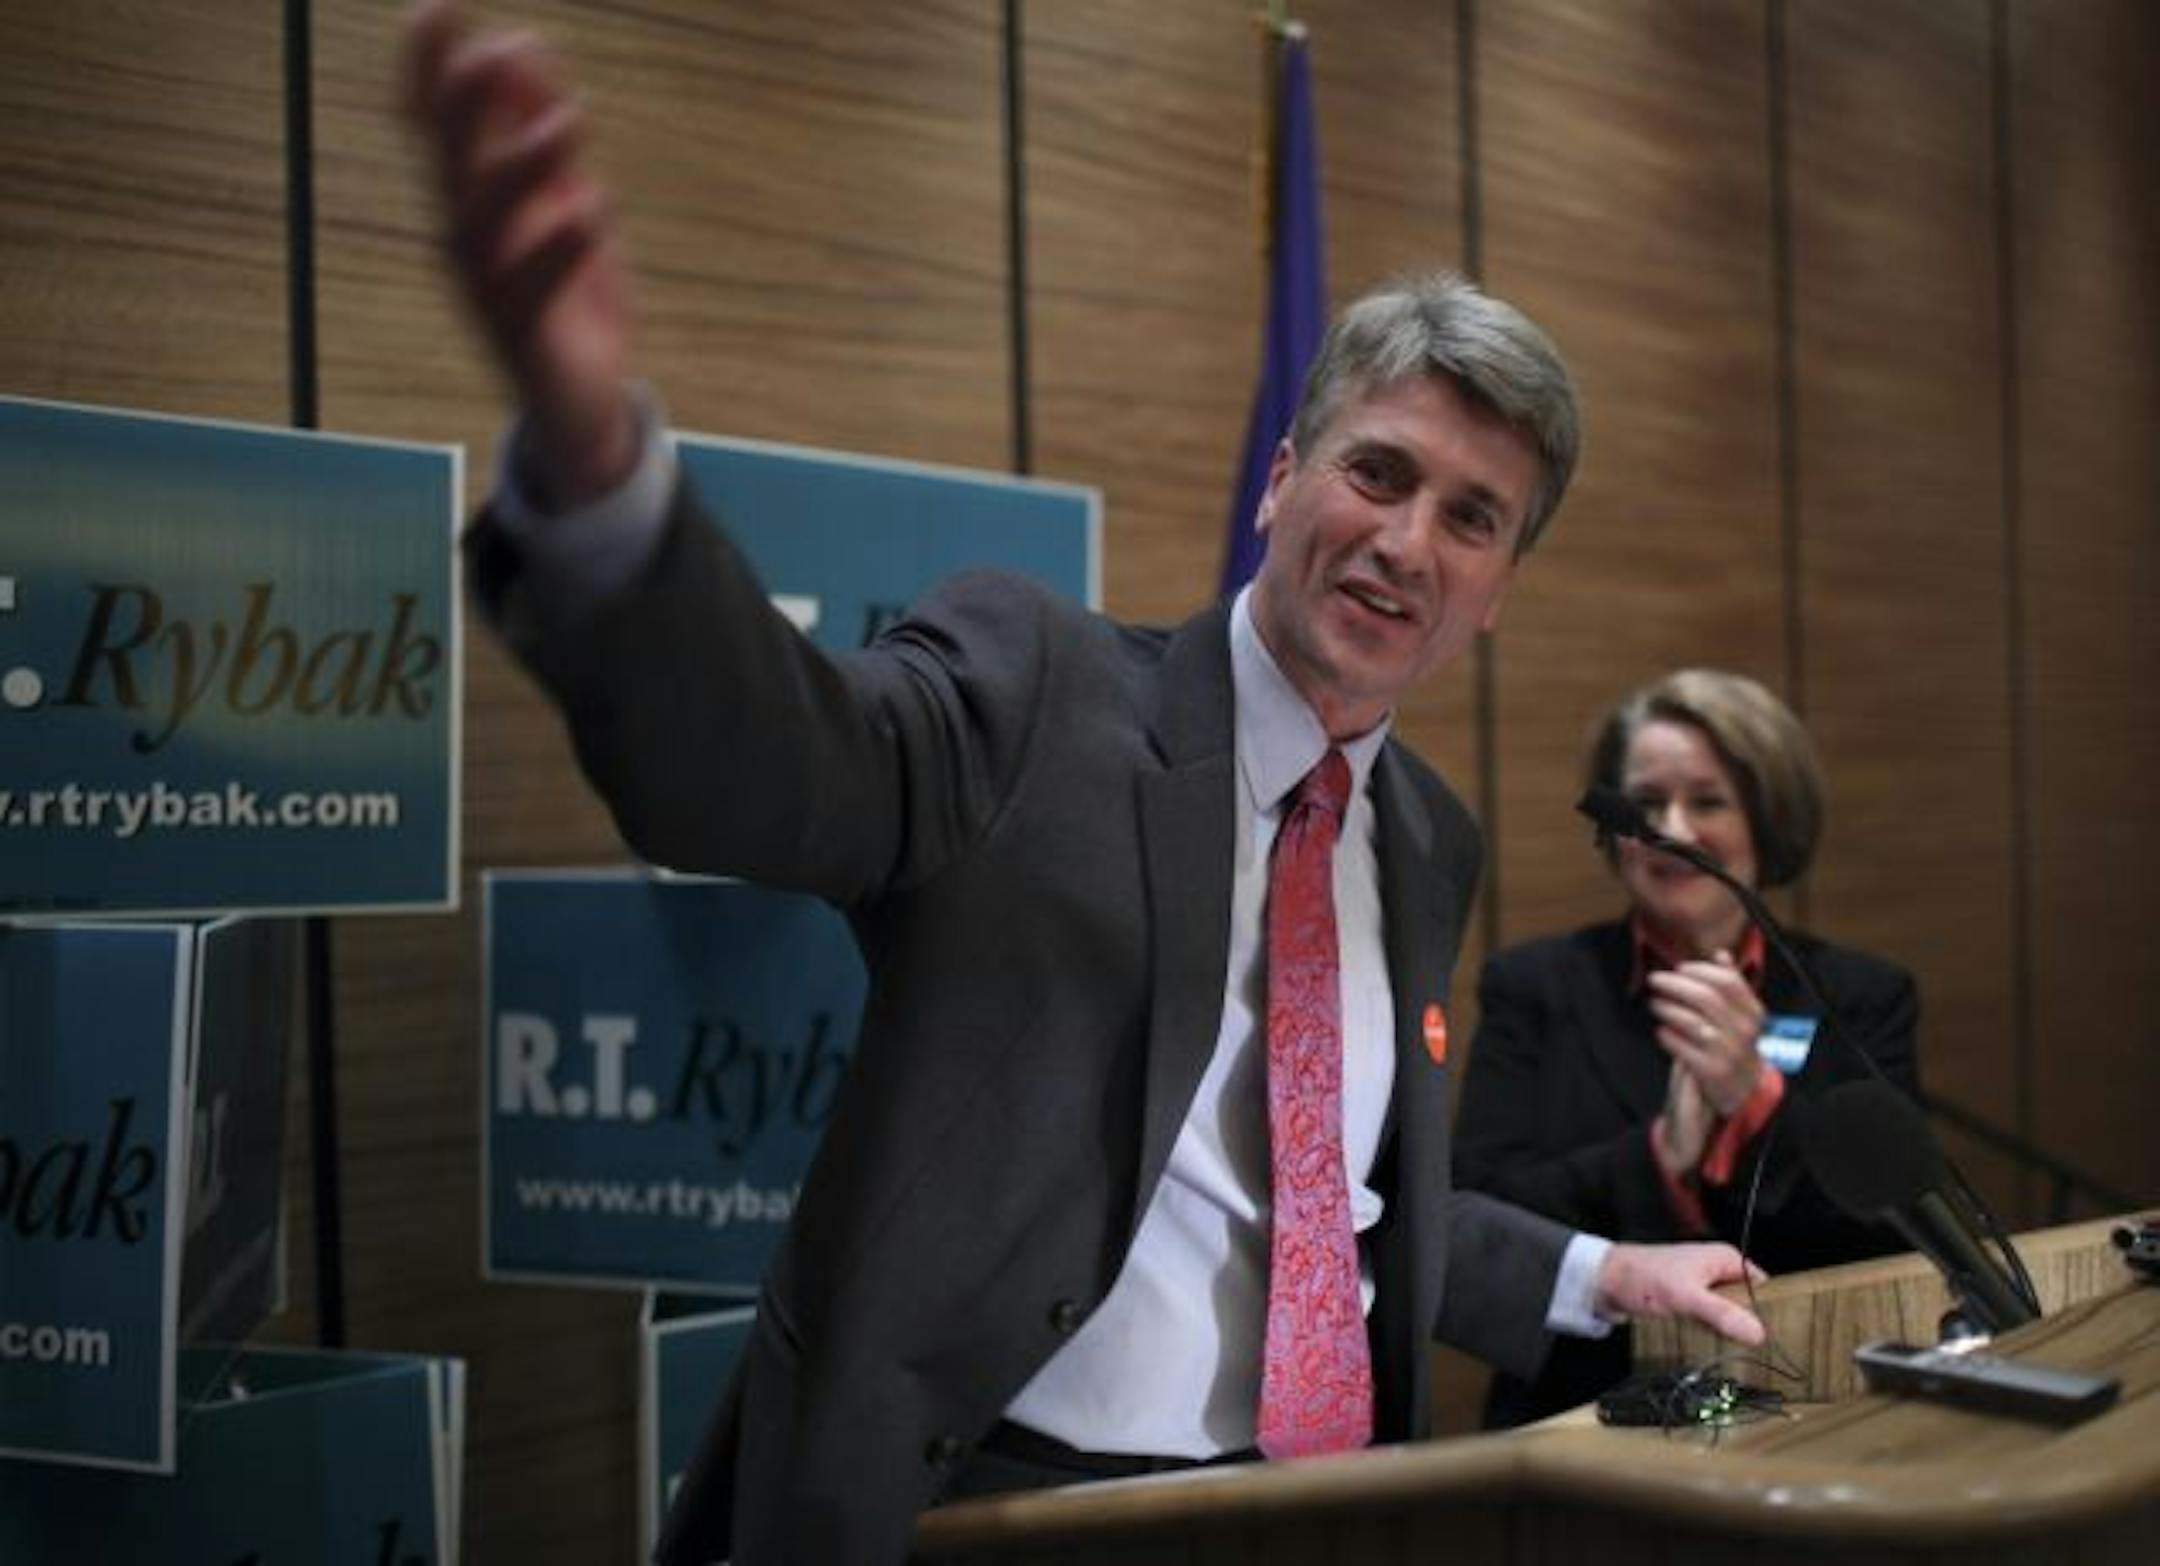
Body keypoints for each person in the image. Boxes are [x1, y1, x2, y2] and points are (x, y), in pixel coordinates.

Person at [403, 5, 1764, 1561]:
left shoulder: (1424, 834)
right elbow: (762, 772)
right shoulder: (1035, 687)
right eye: (1377, 472)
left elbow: (1333, 1197)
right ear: (1280, 482)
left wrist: (1603, 1276)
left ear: (1503, 582)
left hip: (1318, 1510)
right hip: (984, 1506)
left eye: (1472, 517)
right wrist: (599, 484)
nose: (1406, 543)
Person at [1454, 669, 1922, 1427]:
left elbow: (1893, 1227)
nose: (1672, 828)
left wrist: (1755, 1101)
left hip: (1814, 1402)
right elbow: (1477, 1219)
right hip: (1581, 1408)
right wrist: (1659, 1157)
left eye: (1708, 801)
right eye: (1645, 804)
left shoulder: (1861, 995)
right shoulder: (1535, 985)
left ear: (1768, 820)